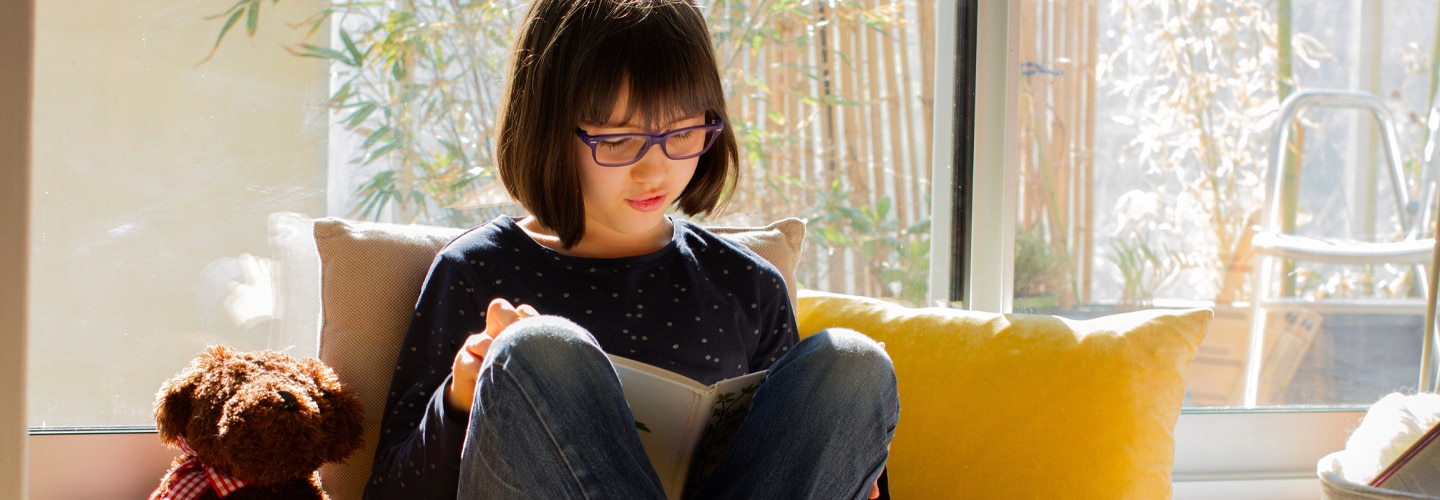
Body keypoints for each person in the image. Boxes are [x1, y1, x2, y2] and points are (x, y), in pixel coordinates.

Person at [364, 1, 899, 498]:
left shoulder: (746, 285)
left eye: (683, 134)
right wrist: (461, 399)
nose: (656, 170)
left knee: (850, 365)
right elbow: (390, 490)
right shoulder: (477, 270)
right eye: (618, 142)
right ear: (549, 129)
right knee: (540, 350)